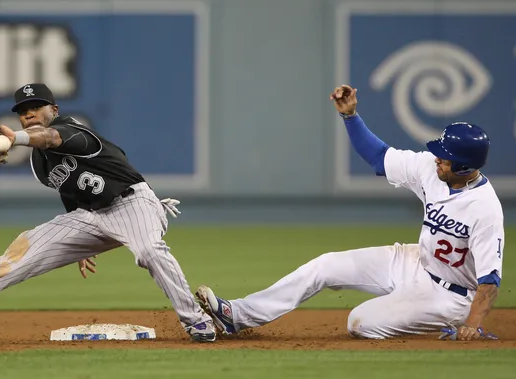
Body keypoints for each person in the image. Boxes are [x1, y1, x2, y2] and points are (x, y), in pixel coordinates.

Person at [196, 84, 504, 341]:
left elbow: (489, 280)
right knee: (326, 265)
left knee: (360, 323)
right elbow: (378, 157)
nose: (437, 159)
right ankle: (237, 315)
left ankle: (436, 321)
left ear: (465, 167)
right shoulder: (430, 169)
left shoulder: (484, 209)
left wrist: (472, 325)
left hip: (451, 296)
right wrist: (350, 116)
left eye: (445, 158)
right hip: (416, 262)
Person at [0, 83, 216, 342]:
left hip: (133, 204)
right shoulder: (39, 165)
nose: (30, 113)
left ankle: (196, 320)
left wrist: (17, 138)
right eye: (24, 111)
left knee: (149, 250)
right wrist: (81, 242)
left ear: (54, 109)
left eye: (37, 106)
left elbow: (49, 138)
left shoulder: (72, 131)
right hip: (92, 216)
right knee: (28, 247)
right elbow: (71, 191)